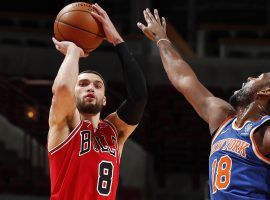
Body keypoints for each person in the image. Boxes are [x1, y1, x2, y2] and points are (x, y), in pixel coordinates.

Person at [137, 8, 270, 200]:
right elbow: (184, 78)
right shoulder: (221, 116)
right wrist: (161, 40)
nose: (249, 77)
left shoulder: (264, 131)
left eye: (258, 77)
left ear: (265, 92)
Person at [48, 3, 147, 200]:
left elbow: (139, 97)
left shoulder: (114, 132)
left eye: (97, 85)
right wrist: (73, 52)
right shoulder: (65, 124)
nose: (90, 87)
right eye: (83, 84)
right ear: (75, 94)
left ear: (104, 100)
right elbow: (63, 89)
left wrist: (118, 41)